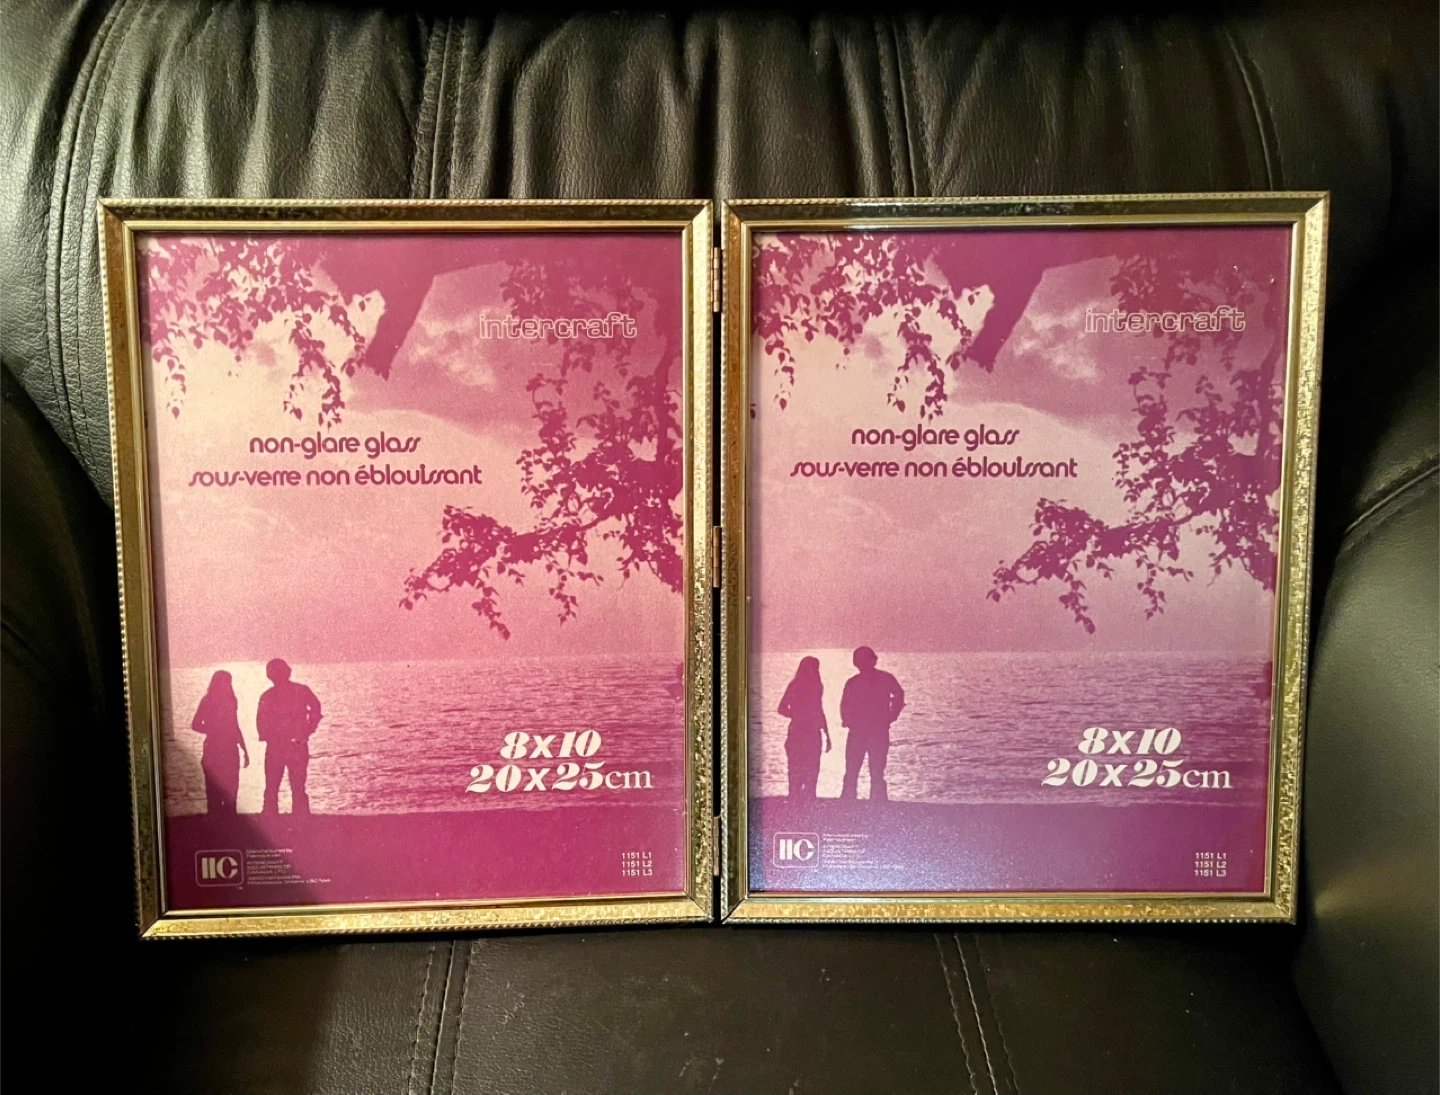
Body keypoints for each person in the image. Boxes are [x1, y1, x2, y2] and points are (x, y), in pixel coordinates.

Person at [256, 658, 323, 816]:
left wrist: (309, 729)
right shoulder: (294, 691)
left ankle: (277, 816)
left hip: (287, 744)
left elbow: (260, 721)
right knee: (284, 785)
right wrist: (309, 728)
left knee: (280, 785)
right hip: (286, 744)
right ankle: (293, 817)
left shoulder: (270, 695)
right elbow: (261, 721)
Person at [839, 646, 905, 802]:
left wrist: (893, 714)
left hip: (875, 729)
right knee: (855, 768)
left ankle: (872, 800)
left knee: (874, 769)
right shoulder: (854, 682)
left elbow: (899, 694)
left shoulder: (883, 678)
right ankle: (852, 799)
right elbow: (845, 705)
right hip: (861, 730)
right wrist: (847, 720)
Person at [190, 670, 249, 814]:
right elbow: (195, 724)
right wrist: (213, 729)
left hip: (230, 748)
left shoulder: (231, 701)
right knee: (213, 788)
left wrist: (244, 749)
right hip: (213, 748)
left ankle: (229, 818)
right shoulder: (207, 701)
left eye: (228, 682)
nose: (227, 685)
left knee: (232, 787)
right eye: (225, 682)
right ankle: (215, 818)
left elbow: (235, 725)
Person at [778, 656, 830, 798]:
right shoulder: (795, 685)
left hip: (812, 730)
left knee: (812, 765)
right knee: (796, 765)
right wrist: (797, 715)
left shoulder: (817, 686)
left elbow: (819, 709)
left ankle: (808, 796)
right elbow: (782, 707)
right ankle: (795, 796)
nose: (814, 671)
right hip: (798, 730)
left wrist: (827, 734)